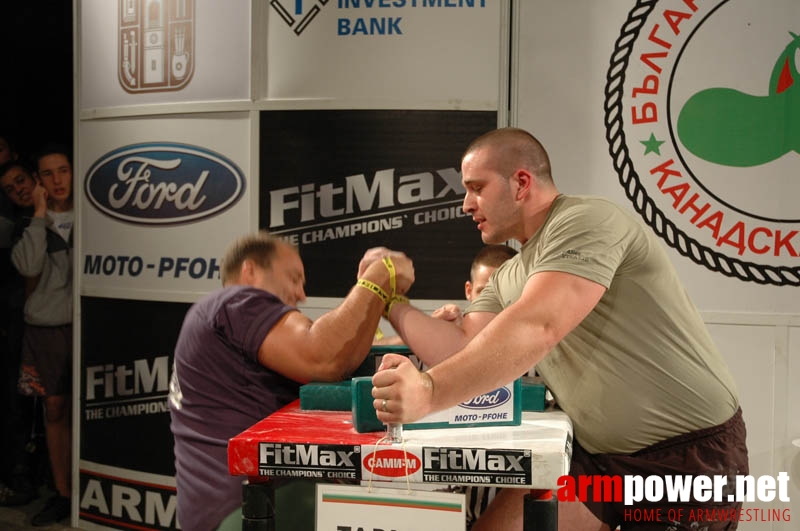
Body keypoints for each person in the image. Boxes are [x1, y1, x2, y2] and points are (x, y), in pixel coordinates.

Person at [369, 127, 747, 530]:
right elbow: (460, 348)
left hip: (687, 458)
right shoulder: (509, 275)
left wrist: (428, 392)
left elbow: (538, 324)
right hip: (600, 459)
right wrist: (387, 298)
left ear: (521, 183)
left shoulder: (588, 219)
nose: (466, 204)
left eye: (476, 187)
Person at [168, 231, 414, 531]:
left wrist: (423, 334)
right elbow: (324, 356)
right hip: (251, 506)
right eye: (293, 278)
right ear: (251, 270)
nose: (301, 294)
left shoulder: (218, 321)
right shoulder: (234, 302)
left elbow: (348, 356)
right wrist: (380, 275)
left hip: (235, 506)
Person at [10, 144, 74, 526]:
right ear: (38, 182)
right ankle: (63, 494)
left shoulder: (96, 213)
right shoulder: (30, 223)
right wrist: (37, 214)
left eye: (63, 170)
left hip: (89, 323)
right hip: (47, 328)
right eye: (47, 174)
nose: (57, 180)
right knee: (54, 408)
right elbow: (29, 266)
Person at [0, 159, 39, 507]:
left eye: (21, 181)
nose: (19, 190)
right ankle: (20, 478)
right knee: (19, 404)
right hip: (21, 326)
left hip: (58, 324)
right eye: (10, 189)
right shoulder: (18, 228)